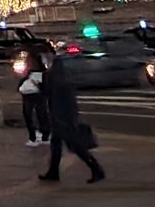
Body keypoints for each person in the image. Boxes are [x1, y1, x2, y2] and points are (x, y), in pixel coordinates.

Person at [37, 46, 104, 184]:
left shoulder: (57, 69)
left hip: (63, 114)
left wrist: (43, 88)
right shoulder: (53, 69)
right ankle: (53, 172)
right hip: (59, 113)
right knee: (56, 144)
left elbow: (60, 92)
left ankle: (96, 168)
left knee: (75, 144)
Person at [17, 63, 50, 146]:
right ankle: (40, 135)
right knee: (39, 113)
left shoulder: (36, 72)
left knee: (35, 114)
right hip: (34, 94)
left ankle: (37, 135)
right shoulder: (41, 71)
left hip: (33, 94)